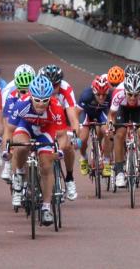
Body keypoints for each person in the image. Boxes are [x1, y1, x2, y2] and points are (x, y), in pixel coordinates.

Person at [4, 76, 70, 225]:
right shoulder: (21, 104)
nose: (41, 104)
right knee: (22, 145)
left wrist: (59, 151)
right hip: (25, 127)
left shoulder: (56, 107)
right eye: (37, 100)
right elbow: (9, 130)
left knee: (46, 164)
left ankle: (46, 208)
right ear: (31, 96)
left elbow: (62, 136)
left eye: (45, 100)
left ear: (50, 98)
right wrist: (8, 148)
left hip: (46, 131)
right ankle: (19, 173)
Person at [39, 64, 81, 201]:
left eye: (55, 85)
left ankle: (69, 178)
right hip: (43, 118)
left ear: (60, 83)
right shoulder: (37, 86)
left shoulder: (66, 90)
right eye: (49, 85)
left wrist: (75, 135)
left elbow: (73, 118)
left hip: (62, 118)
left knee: (68, 146)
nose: (52, 89)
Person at [108, 74, 140, 186]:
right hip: (122, 109)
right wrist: (110, 126)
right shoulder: (118, 93)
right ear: (125, 91)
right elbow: (111, 115)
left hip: (139, 110)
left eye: (136, 95)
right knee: (119, 134)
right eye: (130, 94)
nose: (132, 98)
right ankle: (120, 172)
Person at [76, 74, 113, 177]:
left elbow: (112, 113)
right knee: (83, 138)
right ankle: (83, 157)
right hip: (87, 114)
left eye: (103, 95)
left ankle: (106, 162)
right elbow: (76, 113)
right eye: (98, 95)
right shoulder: (86, 95)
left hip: (102, 114)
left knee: (108, 133)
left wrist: (110, 125)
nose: (101, 97)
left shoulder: (110, 96)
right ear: (93, 92)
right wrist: (76, 128)